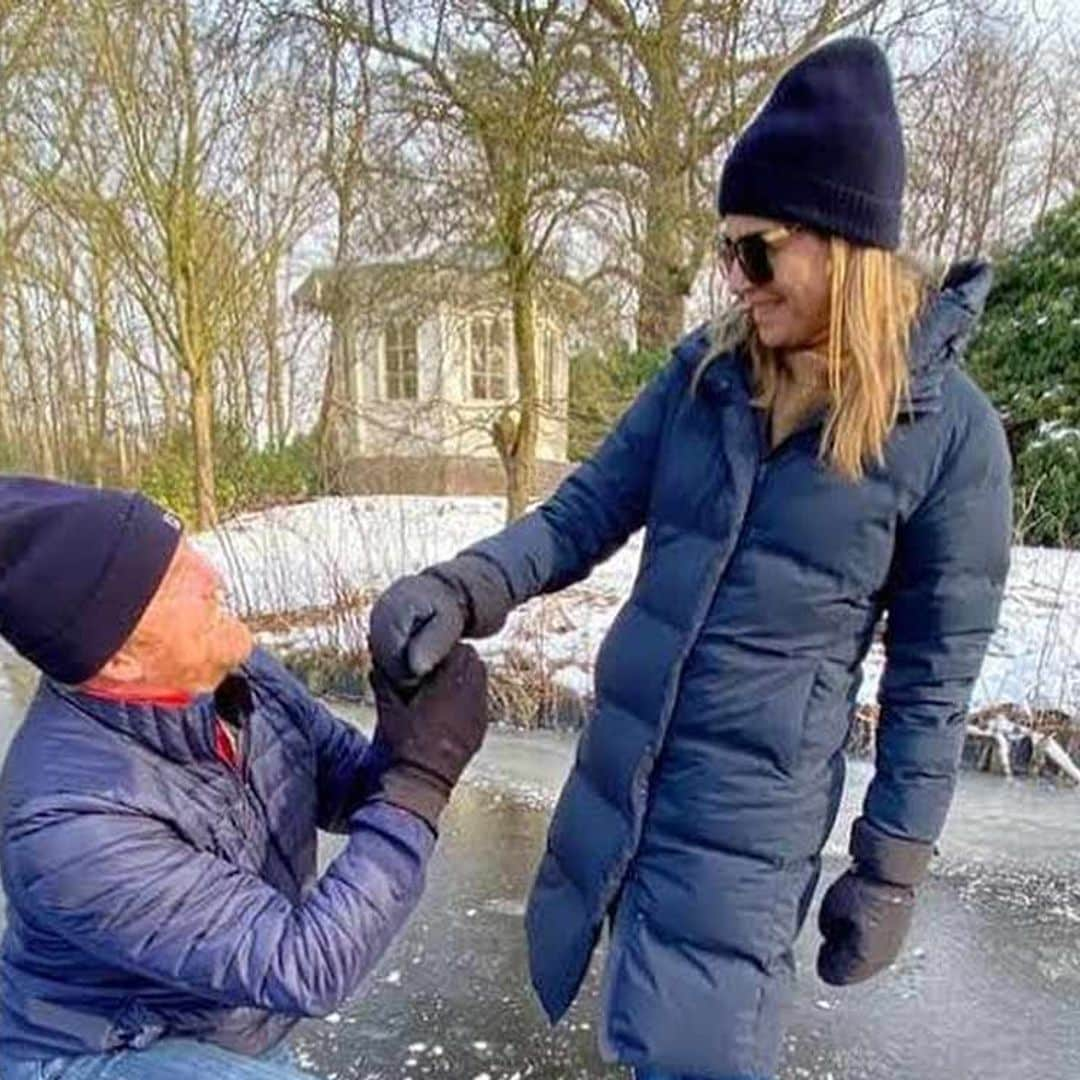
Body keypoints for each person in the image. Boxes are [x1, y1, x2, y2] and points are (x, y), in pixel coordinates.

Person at [368, 37, 1012, 1080]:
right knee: (634, 1034)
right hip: (622, 781)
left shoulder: (948, 436)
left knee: (694, 1054)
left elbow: (933, 691)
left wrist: (890, 869)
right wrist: (464, 586)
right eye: (727, 252)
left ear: (840, 244)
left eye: (757, 250)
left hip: (745, 836)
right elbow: (579, 515)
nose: (737, 279)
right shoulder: (706, 375)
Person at [0, 476, 488, 1080]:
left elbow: (344, 789)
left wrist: (407, 717)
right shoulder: (70, 820)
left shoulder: (229, 669)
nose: (212, 574)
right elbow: (307, 964)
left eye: (187, 551)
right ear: (120, 658)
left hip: (223, 1026)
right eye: (175, 578)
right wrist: (421, 781)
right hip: (103, 1049)